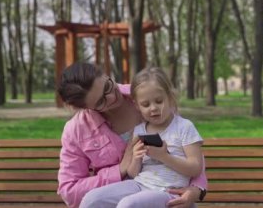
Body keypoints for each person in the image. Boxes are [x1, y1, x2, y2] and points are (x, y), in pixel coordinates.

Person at [57, 62, 207, 208]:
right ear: (86, 108)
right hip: (131, 190)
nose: (111, 97)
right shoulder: (76, 130)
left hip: (167, 194)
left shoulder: (148, 93)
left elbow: (187, 149)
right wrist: (120, 169)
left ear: (107, 75)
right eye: (100, 102)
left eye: (108, 86)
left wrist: (196, 190)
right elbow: (69, 191)